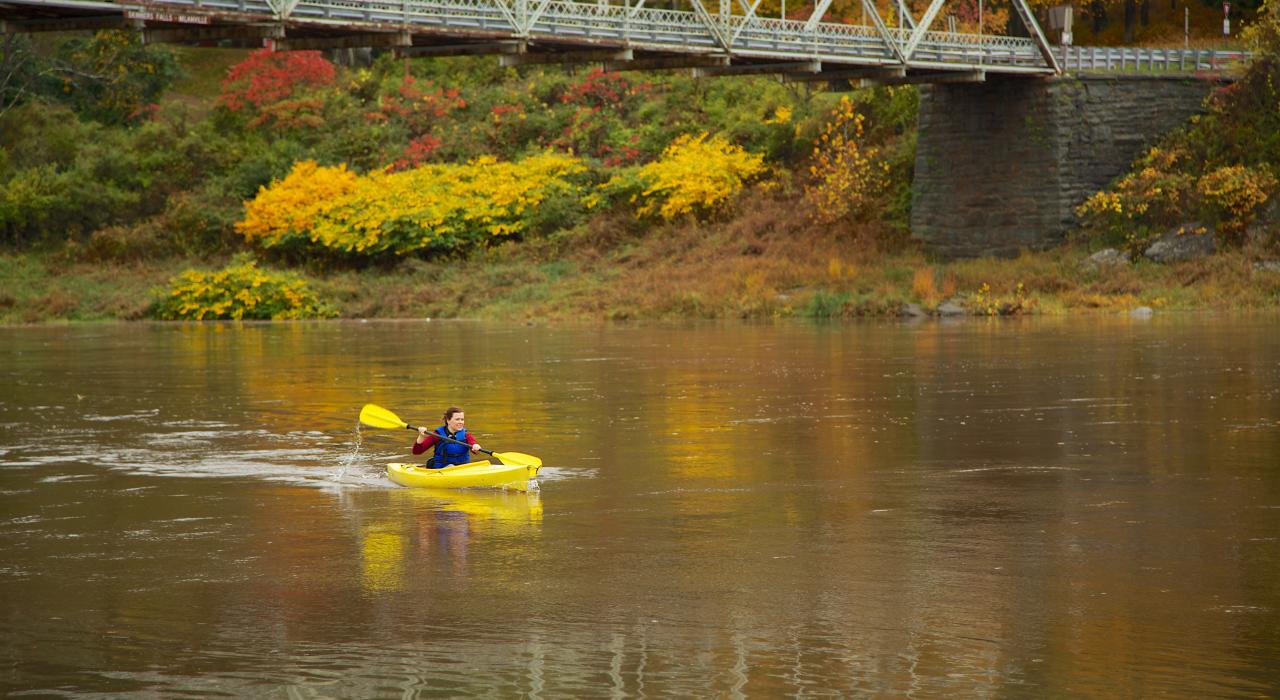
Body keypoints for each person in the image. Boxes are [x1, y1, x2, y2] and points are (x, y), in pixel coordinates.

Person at [412, 407, 484, 469]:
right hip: (442, 470)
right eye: (457, 419)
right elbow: (417, 451)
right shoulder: (437, 435)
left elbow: (473, 447)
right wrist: (421, 436)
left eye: (462, 419)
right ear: (448, 420)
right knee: (451, 466)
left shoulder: (466, 435)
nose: (461, 422)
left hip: (462, 468)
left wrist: (475, 447)